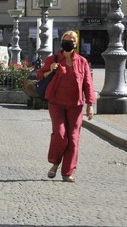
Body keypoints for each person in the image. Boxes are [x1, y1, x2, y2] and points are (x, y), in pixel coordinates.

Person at [37, 31, 95, 183]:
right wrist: (51, 69)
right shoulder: (53, 59)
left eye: (71, 41)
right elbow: (40, 75)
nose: (68, 43)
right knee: (61, 135)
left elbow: (88, 84)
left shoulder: (82, 61)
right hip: (56, 103)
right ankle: (55, 163)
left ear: (76, 44)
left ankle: (67, 172)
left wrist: (90, 105)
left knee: (74, 139)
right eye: (66, 40)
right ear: (61, 42)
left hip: (75, 105)